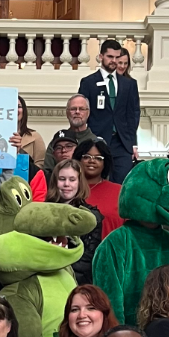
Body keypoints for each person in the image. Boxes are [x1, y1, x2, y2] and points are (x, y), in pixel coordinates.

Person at [78, 39, 140, 182]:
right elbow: (84, 112)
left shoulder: (129, 84)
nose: (114, 61)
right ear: (101, 57)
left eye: (117, 57)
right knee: (96, 183)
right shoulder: (88, 82)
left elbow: (133, 115)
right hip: (97, 141)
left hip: (122, 143)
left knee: (121, 186)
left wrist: (133, 144)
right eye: (110, 57)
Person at [45, 159, 103, 285]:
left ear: (79, 182)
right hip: (45, 276)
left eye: (72, 179)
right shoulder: (43, 211)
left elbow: (88, 258)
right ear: (55, 182)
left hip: (78, 282)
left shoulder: (92, 216)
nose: (67, 184)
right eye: (62, 179)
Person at [77, 138, 122, 239]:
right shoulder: (68, 189)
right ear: (78, 160)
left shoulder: (119, 191)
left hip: (112, 251)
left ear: (105, 163)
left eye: (98, 158)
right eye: (87, 157)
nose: (92, 161)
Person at [14, 96, 45, 167]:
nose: (14, 110)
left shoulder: (35, 137)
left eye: (18, 106)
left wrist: (20, 152)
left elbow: (41, 168)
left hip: (27, 177)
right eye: (11, 106)